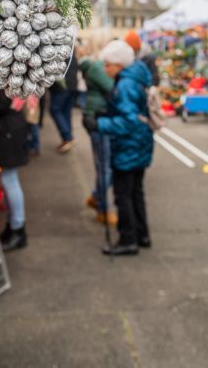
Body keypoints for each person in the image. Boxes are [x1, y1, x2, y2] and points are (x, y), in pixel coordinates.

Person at [83, 40, 154, 256]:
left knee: (123, 194)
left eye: (108, 64)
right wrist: (106, 115)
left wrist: (100, 124)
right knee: (136, 192)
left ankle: (127, 240)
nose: (105, 69)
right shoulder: (135, 78)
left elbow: (129, 121)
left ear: (119, 64)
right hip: (139, 143)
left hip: (128, 146)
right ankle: (142, 235)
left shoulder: (124, 85)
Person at [0, 90, 30, 251]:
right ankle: (15, 225)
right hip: (7, 130)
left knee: (9, 180)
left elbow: (1, 103)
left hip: (5, 131)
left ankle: (17, 228)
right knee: (9, 180)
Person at [80, 55, 117, 226]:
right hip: (98, 119)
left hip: (98, 118)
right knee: (105, 168)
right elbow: (112, 88)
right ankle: (102, 208)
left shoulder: (96, 68)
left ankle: (96, 197)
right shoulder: (97, 69)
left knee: (106, 166)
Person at [48, 52, 79, 154]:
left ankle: (68, 137)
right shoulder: (71, 50)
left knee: (55, 109)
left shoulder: (58, 49)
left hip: (61, 87)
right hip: (72, 85)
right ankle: (66, 139)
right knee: (66, 112)